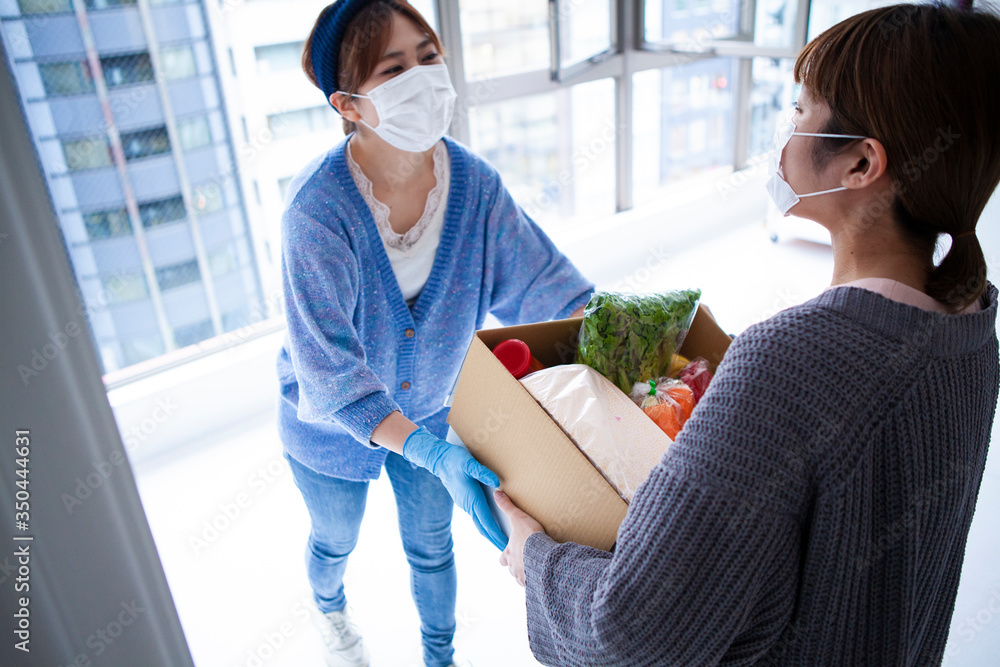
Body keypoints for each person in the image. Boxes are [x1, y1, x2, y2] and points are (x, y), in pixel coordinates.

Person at [495, 3, 1000, 665]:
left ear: (860, 165)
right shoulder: (971, 330)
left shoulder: (786, 360)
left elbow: (631, 631)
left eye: (800, 109)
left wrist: (535, 557)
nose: (784, 126)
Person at [275, 1, 593, 666]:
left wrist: (626, 333)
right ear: (351, 104)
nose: (425, 77)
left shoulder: (473, 185)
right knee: (335, 537)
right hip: (331, 428)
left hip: (434, 410)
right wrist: (428, 450)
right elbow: (331, 373)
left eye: (429, 56)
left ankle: (439, 656)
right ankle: (329, 608)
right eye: (396, 69)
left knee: (433, 545)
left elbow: (550, 286)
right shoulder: (317, 211)